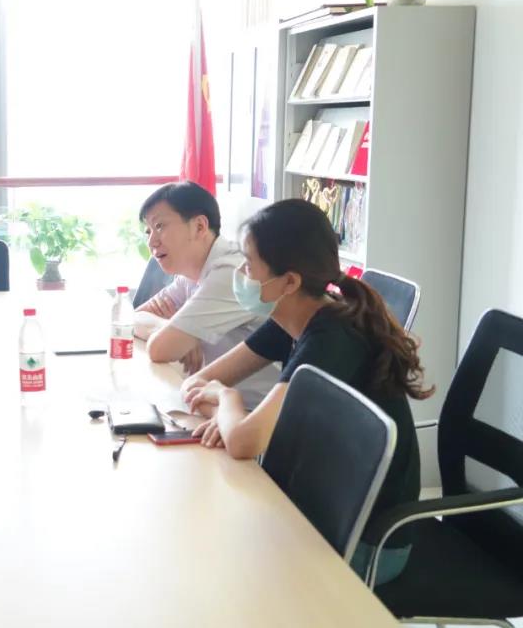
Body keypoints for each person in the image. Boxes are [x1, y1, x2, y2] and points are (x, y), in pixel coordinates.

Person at [181, 199, 430, 585]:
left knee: (212, 562)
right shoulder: (289, 316)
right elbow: (199, 384)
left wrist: (228, 402)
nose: (241, 275)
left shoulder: (332, 339)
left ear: (290, 281)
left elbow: (244, 440)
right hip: (316, 509)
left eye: (249, 265)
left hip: (366, 543)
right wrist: (224, 411)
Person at [135, 182, 278, 407]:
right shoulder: (191, 272)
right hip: (216, 404)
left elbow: (160, 349)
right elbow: (134, 318)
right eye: (148, 231)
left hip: (253, 414)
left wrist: (174, 335)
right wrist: (170, 328)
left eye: (160, 226)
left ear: (199, 226)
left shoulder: (233, 272)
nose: (151, 241)